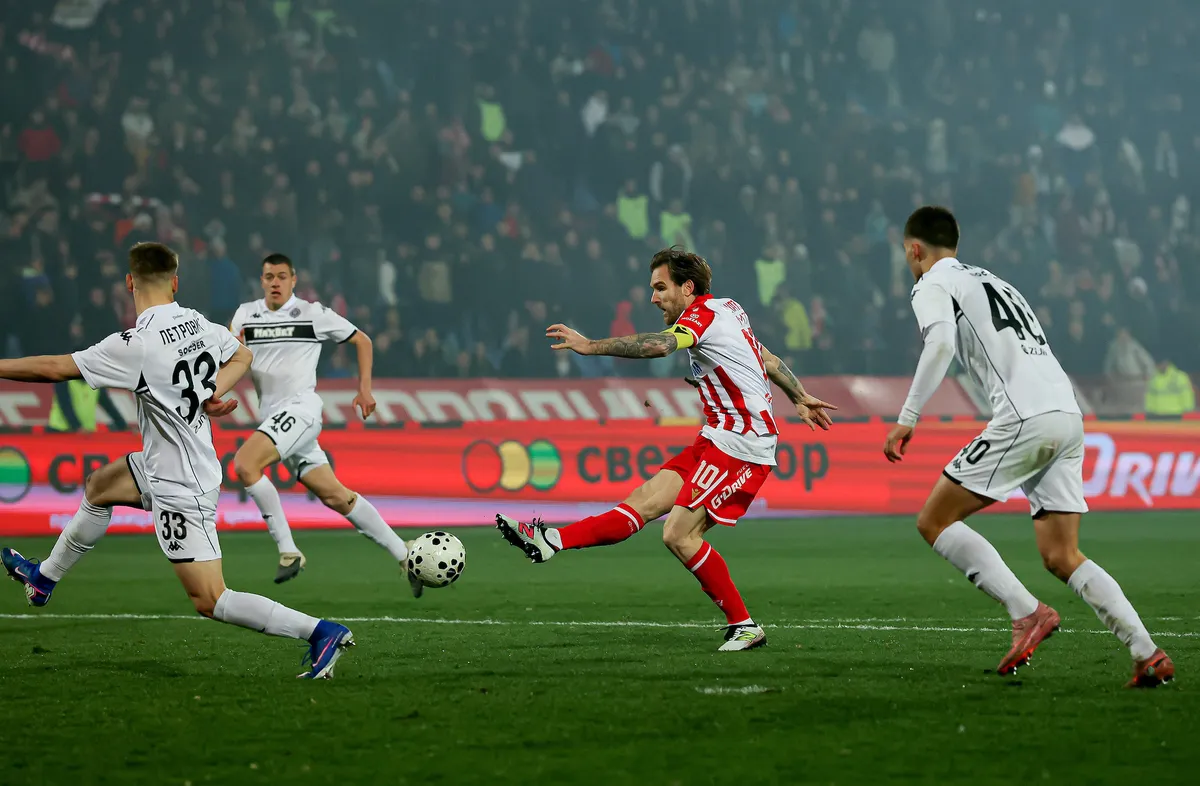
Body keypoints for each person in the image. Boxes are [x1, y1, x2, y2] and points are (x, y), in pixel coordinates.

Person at [0, 242, 354, 680]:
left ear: (129, 283)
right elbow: (243, 354)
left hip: (181, 484)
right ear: (176, 282)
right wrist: (211, 392)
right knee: (99, 486)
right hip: (166, 463)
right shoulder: (198, 323)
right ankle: (45, 578)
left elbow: (55, 367)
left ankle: (321, 631)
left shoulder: (137, 344)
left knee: (211, 600)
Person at [883, 206, 1173, 688]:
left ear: (915, 250)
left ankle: (1026, 612)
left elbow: (939, 344)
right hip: (1068, 414)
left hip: (1025, 418)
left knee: (934, 520)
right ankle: (1147, 653)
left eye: (906, 254)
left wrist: (907, 418)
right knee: (1063, 555)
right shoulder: (998, 283)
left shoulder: (933, 282)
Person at [496, 247, 835, 652]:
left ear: (687, 288)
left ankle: (744, 625)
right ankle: (550, 541)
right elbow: (767, 358)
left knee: (678, 534)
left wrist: (591, 346)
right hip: (716, 437)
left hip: (743, 444)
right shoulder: (728, 308)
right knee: (641, 503)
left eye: (660, 287)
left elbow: (658, 346)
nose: (653, 297)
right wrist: (799, 395)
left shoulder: (700, 317)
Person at [229, 253, 421, 594]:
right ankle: (403, 554)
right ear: (261, 281)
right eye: (269, 276)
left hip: (301, 410)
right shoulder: (245, 315)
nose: (275, 282)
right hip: (275, 420)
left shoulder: (312, 314)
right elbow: (231, 359)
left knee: (245, 464)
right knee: (335, 497)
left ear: (293, 279)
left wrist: (364, 390)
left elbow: (362, 340)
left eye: (281, 276)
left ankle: (289, 551)